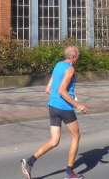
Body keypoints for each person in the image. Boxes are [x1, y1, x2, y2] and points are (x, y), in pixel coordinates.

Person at [21, 45, 87, 179]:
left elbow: (47, 89)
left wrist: (58, 97)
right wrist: (78, 105)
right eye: (78, 55)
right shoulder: (70, 69)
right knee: (76, 136)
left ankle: (30, 161)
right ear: (73, 56)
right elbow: (62, 90)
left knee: (54, 140)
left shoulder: (58, 65)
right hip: (64, 108)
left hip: (53, 106)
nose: (79, 57)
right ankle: (70, 173)